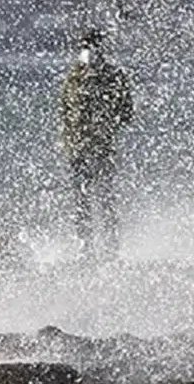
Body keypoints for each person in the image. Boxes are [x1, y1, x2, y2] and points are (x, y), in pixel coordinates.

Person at [59, 28, 134, 260]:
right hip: (78, 148)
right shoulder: (74, 77)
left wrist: (106, 125)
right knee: (82, 199)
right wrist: (69, 138)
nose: (88, 51)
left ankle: (110, 246)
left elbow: (127, 112)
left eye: (92, 46)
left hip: (102, 146)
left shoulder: (113, 76)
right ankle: (86, 246)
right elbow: (64, 111)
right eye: (85, 47)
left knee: (104, 196)